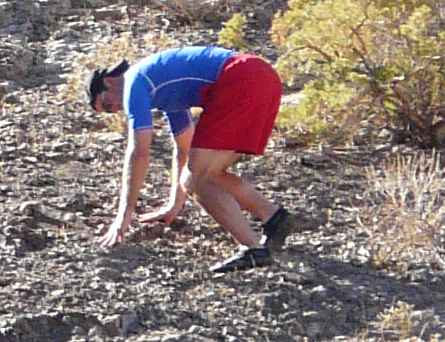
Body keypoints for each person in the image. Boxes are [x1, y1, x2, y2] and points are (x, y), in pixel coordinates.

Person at [89, 47, 296, 273]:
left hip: (240, 78)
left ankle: (253, 249)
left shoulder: (133, 82)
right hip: (262, 76)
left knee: (195, 179)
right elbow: (184, 147)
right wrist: (173, 205)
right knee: (209, 172)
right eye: (110, 112)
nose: (115, 109)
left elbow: (139, 153)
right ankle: (274, 218)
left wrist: (123, 215)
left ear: (109, 82)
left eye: (107, 104)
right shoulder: (162, 88)